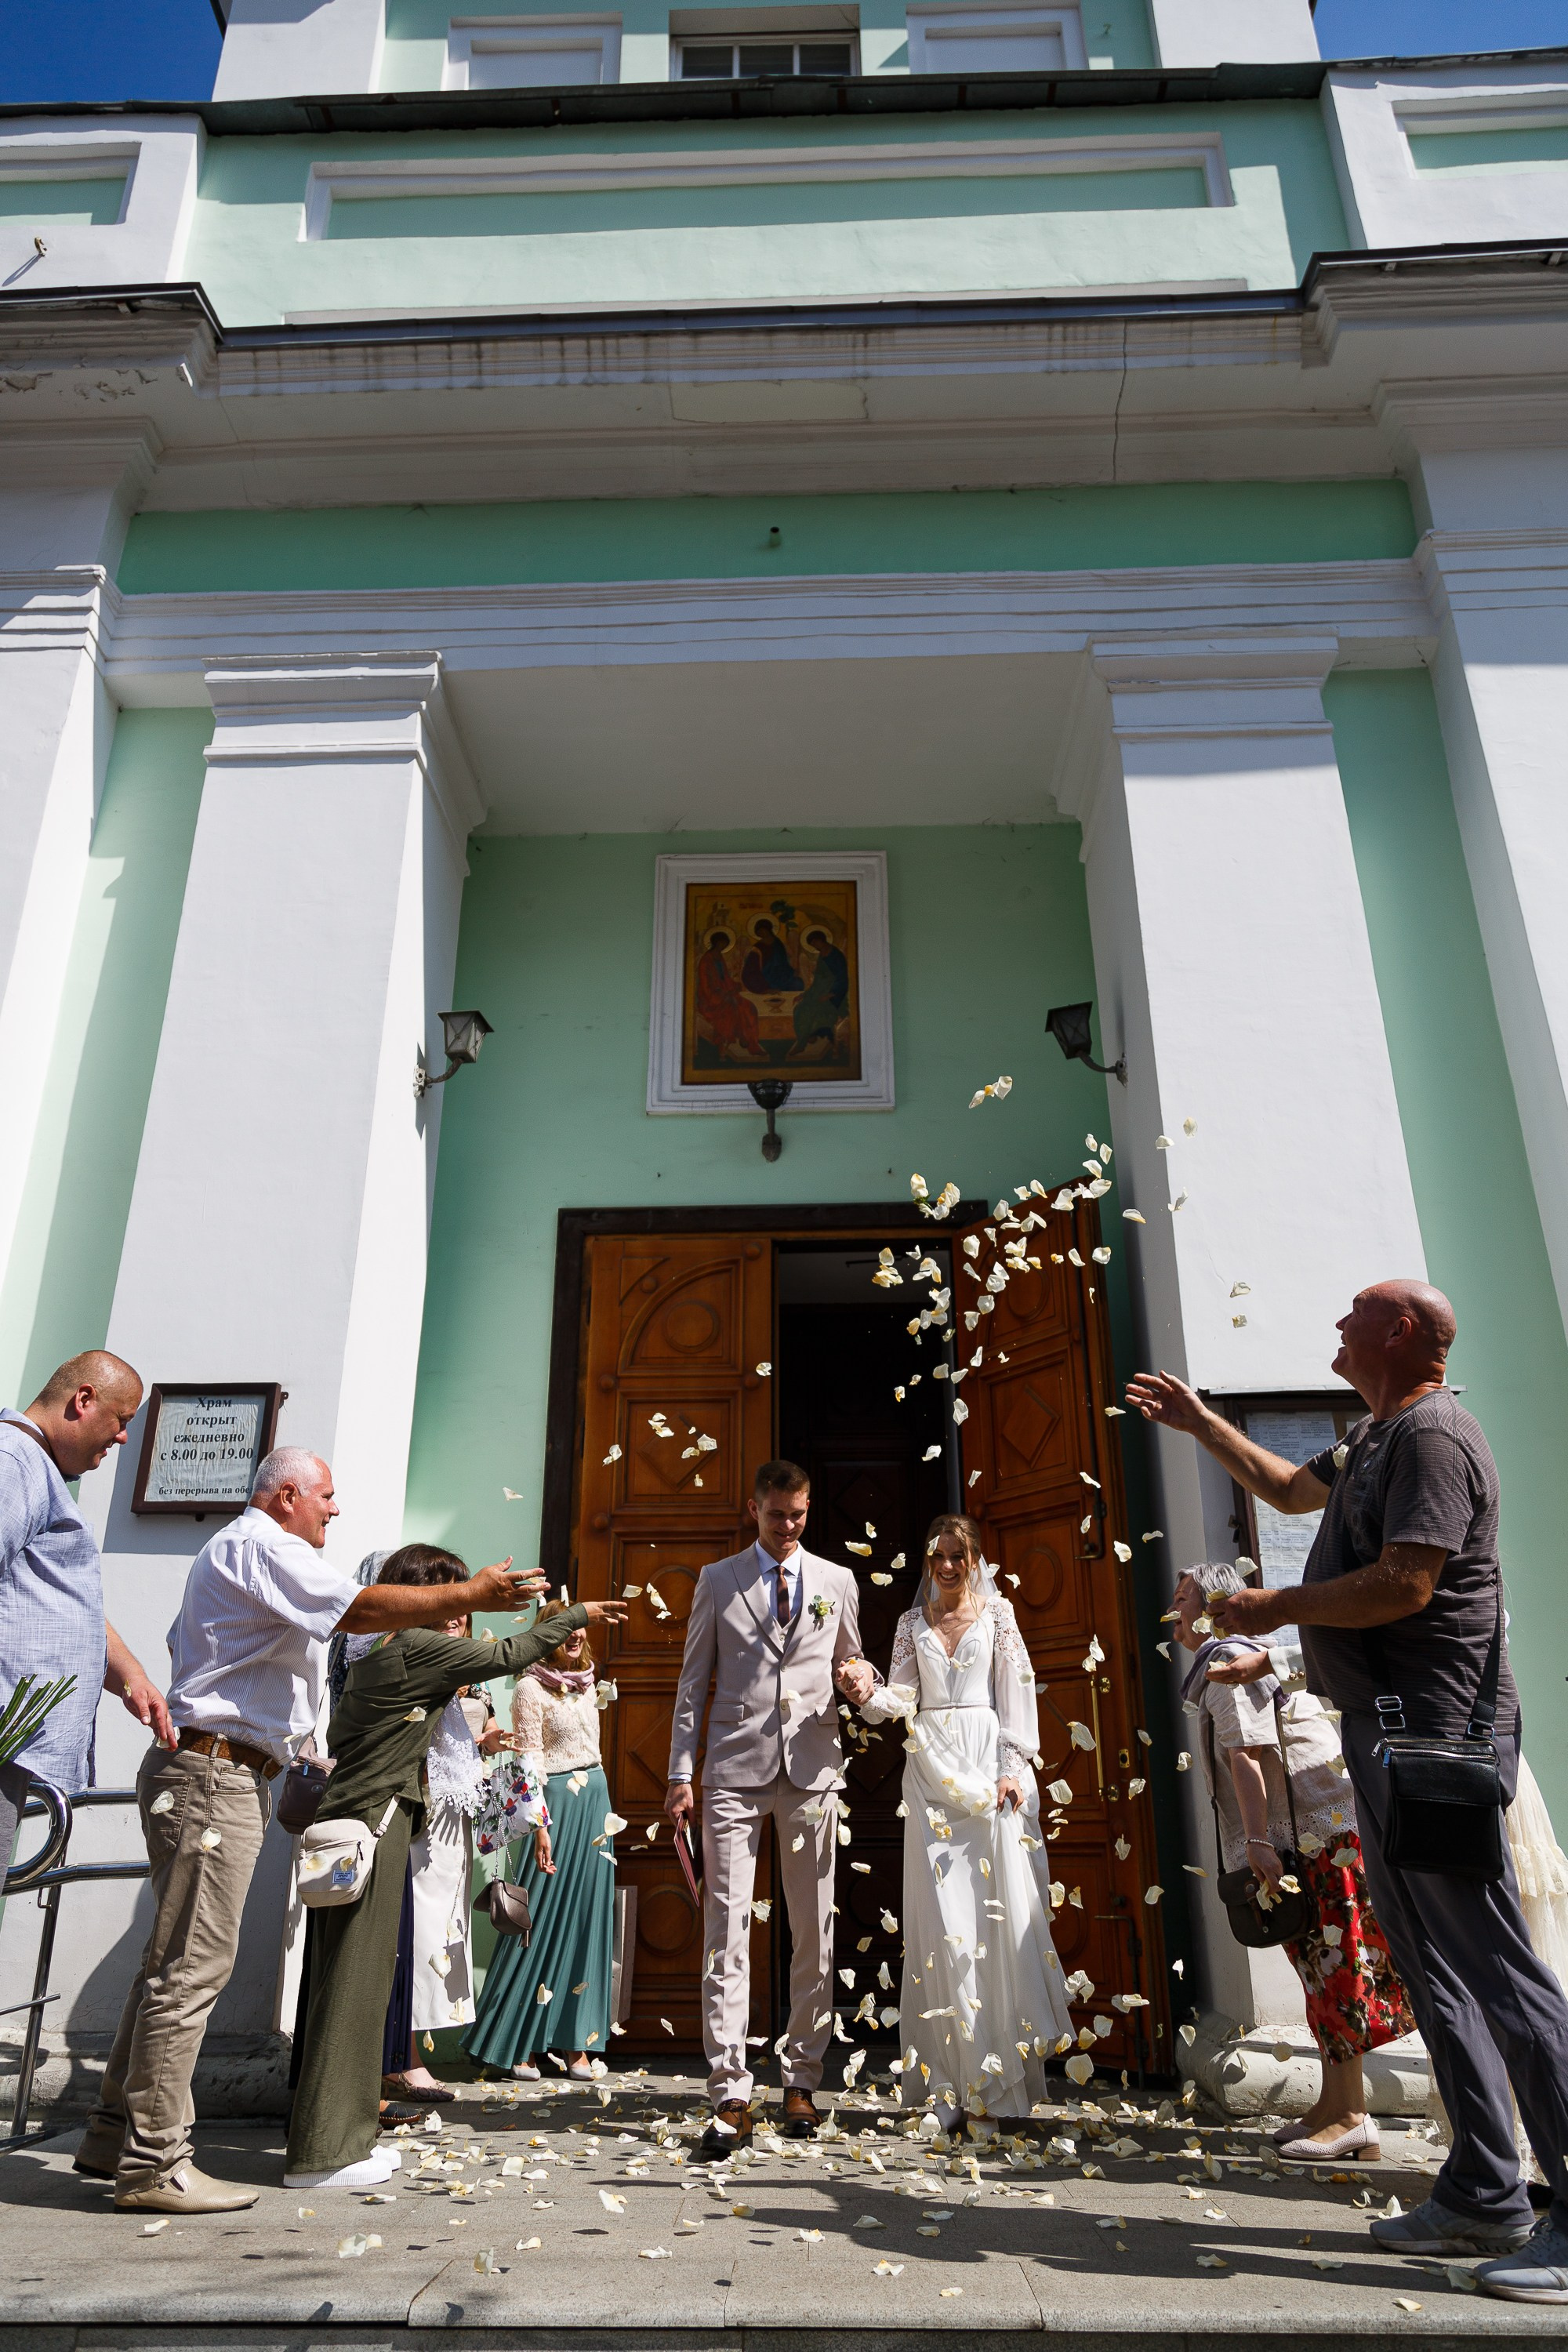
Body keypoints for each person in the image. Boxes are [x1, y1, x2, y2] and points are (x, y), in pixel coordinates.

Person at [1128, 1280, 1568, 2302]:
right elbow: (1287, 1491)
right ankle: (1482, 2191)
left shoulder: (1436, 1439)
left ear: (1402, 1331)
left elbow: (1408, 1581)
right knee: (1433, 1965)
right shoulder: (1375, 1438)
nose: (1334, 1326)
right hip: (1386, 1731)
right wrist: (1200, 1424)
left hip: (1442, 1732)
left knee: (1492, 1961)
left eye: (1352, 1314)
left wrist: (1269, 1604)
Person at [75, 1448, 543, 2216]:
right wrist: (469, 1591)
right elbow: (357, 1610)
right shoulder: (262, 1544)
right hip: (214, 1773)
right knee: (190, 1972)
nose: (333, 1509)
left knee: (173, 1962)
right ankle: (153, 2162)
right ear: (286, 1493)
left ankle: (112, 2131)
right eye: (325, 1496)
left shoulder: (240, 1551)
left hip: (221, 1768)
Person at [285, 1553, 626, 2189]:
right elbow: (507, 1658)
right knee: (355, 1990)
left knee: (353, 1987)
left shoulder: (379, 1650)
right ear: (422, 1599)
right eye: (451, 1593)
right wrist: (576, 1615)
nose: (461, 1606)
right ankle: (325, 2153)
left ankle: (343, 2139)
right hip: (377, 1825)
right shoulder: (413, 1646)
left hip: (370, 1825)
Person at [1171, 1562, 1414, 2160]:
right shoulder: (1229, 1657)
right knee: (1316, 1966)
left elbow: (1249, 1755)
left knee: (1332, 1965)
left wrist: (1257, 1843)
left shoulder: (1227, 1658)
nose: (1172, 1611)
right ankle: (1333, 2105)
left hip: (1315, 1836)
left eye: (1182, 1600)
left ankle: (1353, 2114)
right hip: (1309, 1834)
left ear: (1209, 1609)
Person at [665, 1459, 870, 2155]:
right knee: (726, 1928)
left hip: (813, 1770)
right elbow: (694, 1683)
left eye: (801, 1516)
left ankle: (802, 2079)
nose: (789, 1528)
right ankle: (729, 2088)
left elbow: (854, 1665)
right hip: (731, 1769)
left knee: (813, 1931)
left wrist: (859, 1679)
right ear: (753, 1509)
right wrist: (679, 1774)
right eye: (778, 1515)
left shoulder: (837, 1581)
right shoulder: (717, 1580)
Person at [840, 1514, 1073, 2129]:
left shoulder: (999, 1617)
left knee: (989, 1923)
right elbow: (901, 1698)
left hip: (984, 1769)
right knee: (943, 1926)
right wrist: (863, 1691)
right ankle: (947, 2084)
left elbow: (1016, 1692)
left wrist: (1010, 1767)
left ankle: (993, 2087)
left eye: (957, 1556)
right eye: (937, 1555)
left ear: (974, 1561)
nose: (946, 1566)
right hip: (931, 1775)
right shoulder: (910, 1623)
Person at [0, 1355, 173, 1883]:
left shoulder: (30, 1465)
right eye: (121, 1419)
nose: (122, 1438)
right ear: (83, 1400)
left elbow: (55, 1601)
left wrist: (129, 1675)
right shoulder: (14, 1460)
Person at [464, 1601, 614, 2082]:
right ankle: (516, 2044)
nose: (574, 1636)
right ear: (545, 1634)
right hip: (556, 1804)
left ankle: (577, 2045)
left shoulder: (589, 1683)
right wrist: (540, 1828)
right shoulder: (528, 1687)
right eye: (562, 1628)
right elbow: (528, 1761)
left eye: (578, 1628)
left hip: (596, 1801)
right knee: (540, 1919)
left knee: (589, 1918)